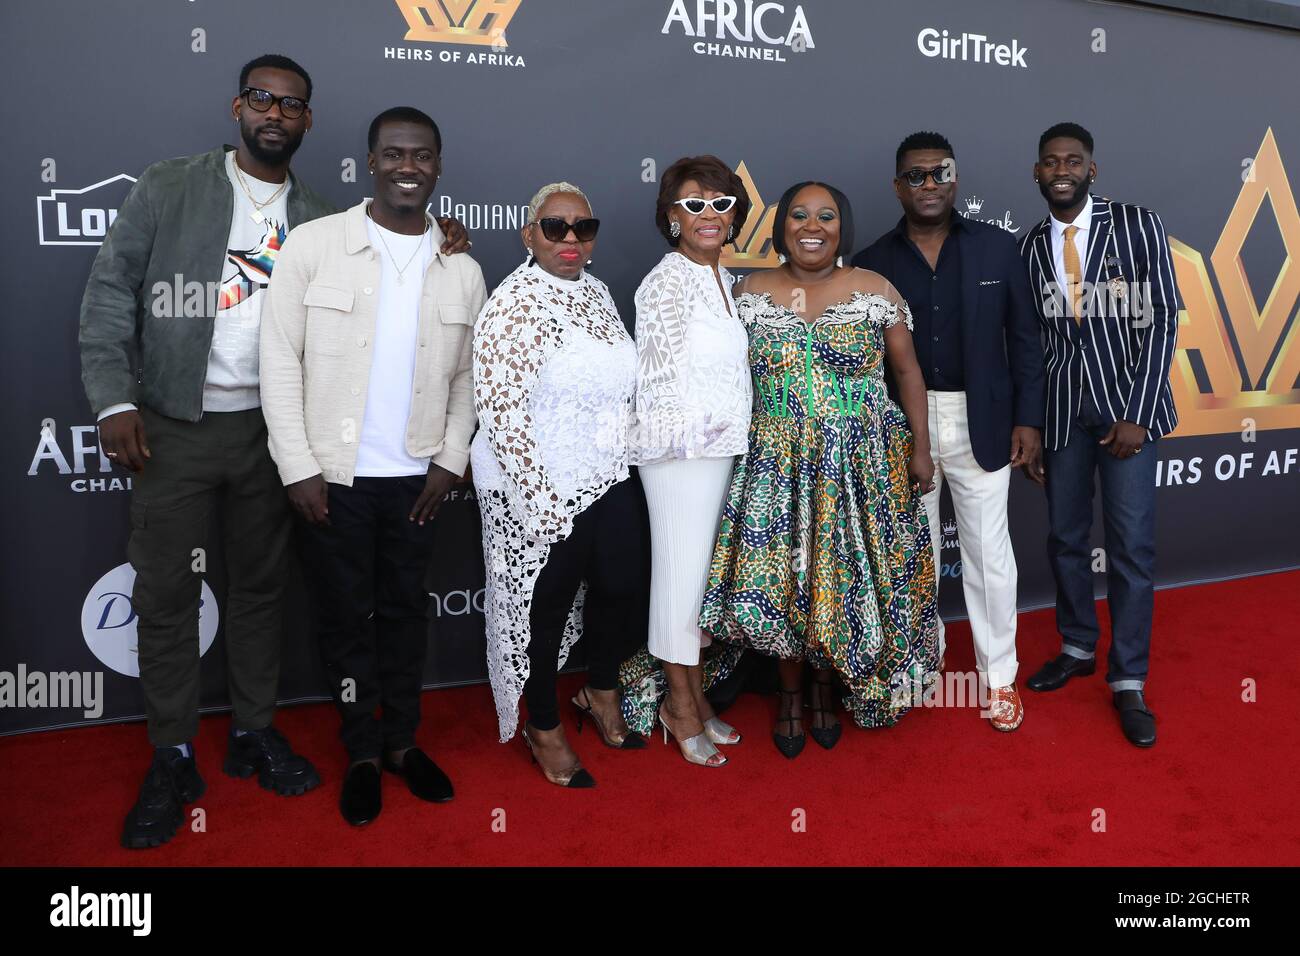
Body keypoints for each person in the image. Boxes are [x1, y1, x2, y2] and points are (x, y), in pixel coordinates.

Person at [79, 54, 332, 849]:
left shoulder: (324, 218)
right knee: (164, 596)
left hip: (271, 432)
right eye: (263, 99)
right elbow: (111, 289)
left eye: (292, 106)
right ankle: (173, 750)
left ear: (307, 122)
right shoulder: (171, 184)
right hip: (173, 429)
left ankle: (254, 731)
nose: (276, 114)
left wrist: (444, 239)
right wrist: (116, 398)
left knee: (260, 590)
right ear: (237, 107)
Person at [259, 106, 483, 824]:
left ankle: (400, 745)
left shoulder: (463, 267)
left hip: (418, 479)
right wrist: (297, 465)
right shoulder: (315, 246)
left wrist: (451, 460)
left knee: (404, 619)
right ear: (369, 164)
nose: (407, 167)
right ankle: (359, 748)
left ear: (439, 167)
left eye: (420, 155)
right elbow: (277, 363)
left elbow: (467, 380)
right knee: (345, 621)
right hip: (334, 479)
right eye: (393, 154)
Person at [699, 182, 939, 758]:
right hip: (775, 459)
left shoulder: (875, 290)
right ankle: (788, 695)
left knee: (843, 577)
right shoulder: (746, 291)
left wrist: (921, 447)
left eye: (827, 215)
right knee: (786, 579)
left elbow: (908, 374)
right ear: (781, 227)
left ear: (842, 226)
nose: (813, 225)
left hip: (862, 462)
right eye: (799, 215)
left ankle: (828, 687)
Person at [853, 131, 1045, 732]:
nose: (928, 183)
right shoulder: (872, 262)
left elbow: (1027, 342)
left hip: (982, 419)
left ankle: (999, 680)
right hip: (902, 423)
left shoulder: (998, 249)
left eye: (939, 172)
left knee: (989, 554)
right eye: (915, 175)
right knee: (914, 555)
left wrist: (1028, 419)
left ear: (955, 179)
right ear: (897, 185)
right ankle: (921, 665)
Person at [472, 182, 647, 788]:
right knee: (544, 609)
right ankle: (542, 723)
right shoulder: (513, 303)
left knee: (622, 583)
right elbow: (501, 412)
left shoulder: (597, 293)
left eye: (583, 227)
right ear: (529, 235)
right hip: (539, 480)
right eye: (555, 227)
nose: (570, 239)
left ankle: (599, 691)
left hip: (606, 469)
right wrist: (541, 501)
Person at [1018, 122, 1179, 748]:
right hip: (1063, 415)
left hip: (1127, 415)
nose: (1063, 169)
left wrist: (1137, 410)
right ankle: (1079, 644)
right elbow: (1029, 343)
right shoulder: (1030, 245)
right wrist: (1029, 422)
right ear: (1036, 172)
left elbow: (1162, 315)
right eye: (1051, 161)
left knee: (1132, 545)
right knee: (1064, 536)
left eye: (1074, 160)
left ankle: (1129, 678)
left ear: (1093, 169)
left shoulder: (1137, 224)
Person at [629, 155, 753, 768]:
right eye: (694, 204)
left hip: (720, 453)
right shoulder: (668, 280)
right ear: (672, 217)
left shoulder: (721, 281)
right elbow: (656, 380)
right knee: (680, 581)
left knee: (698, 583)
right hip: (681, 456)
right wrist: (688, 448)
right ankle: (677, 706)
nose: (710, 215)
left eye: (722, 204)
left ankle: (696, 699)